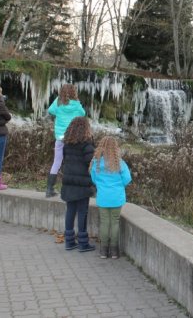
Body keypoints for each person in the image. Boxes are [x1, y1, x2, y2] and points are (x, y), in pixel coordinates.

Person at [90, 136, 132, 259]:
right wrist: (118, 185)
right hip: (116, 197)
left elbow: (94, 179)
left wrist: (101, 185)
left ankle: (103, 251)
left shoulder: (97, 162)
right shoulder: (120, 163)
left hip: (103, 196)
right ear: (115, 148)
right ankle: (114, 251)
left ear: (102, 147)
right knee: (115, 222)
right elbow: (127, 179)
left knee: (104, 222)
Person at [60, 117, 96, 252]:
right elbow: (91, 163)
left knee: (70, 211)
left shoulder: (67, 143)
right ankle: (83, 242)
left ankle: (69, 241)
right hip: (82, 183)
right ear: (85, 129)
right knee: (82, 212)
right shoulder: (87, 144)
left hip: (69, 181)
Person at [46, 84, 86, 197]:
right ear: (74, 92)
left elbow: (50, 110)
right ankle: (70, 189)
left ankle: (49, 189)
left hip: (59, 137)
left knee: (57, 162)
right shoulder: (77, 104)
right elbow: (83, 114)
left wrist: (59, 110)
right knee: (72, 162)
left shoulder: (58, 102)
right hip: (72, 138)